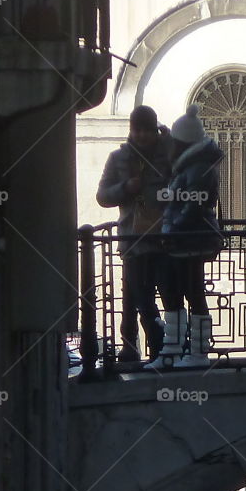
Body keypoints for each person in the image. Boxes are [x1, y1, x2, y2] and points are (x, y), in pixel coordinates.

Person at [96, 105, 171, 368]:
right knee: (135, 296)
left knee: (167, 294)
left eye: (147, 131)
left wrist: (168, 138)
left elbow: (185, 174)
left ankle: (162, 350)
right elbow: (102, 196)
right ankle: (136, 349)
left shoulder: (167, 155)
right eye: (137, 130)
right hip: (132, 238)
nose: (141, 136)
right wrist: (126, 187)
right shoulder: (118, 158)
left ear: (154, 130)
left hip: (163, 240)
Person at [154, 105, 226, 370]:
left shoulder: (198, 169)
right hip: (183, 240)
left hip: (190, 241)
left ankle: (196, 352)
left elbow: (192, 205)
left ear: (183, 142)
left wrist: (171, 229)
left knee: (193, 293)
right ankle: (174, 349)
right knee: (174, 291)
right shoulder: (190, 166)